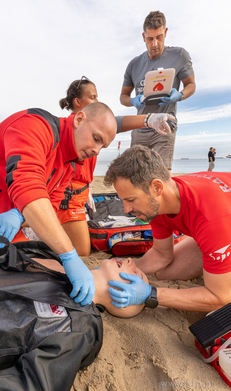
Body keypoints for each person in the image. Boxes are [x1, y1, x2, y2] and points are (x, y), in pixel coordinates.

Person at [0, 102, 117, 306]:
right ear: (79, 119)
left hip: (4, 227)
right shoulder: (34, 125)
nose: (96, 150)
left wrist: (19, 215)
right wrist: (69, 254)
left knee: (36, 269)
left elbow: (51, 208)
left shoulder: (68, 166)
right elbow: (27, 185)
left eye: (102, 146)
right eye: (96, 139)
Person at [0, 239, 146, 391]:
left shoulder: (79, 325)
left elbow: (35, 386)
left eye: (137, 274)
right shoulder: (53, 256)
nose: (131, 260)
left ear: (125, 303)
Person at [55, 76, 176, 256]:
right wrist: (149, 119)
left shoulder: (91, 126)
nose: (98, 101)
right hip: (68, 195)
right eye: (93, 97)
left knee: (81, 245)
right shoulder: (73, 125)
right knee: (82, 251)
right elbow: (116, 122)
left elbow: (115, 123)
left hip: (80, 192)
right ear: (78, 102)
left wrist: (149, 119)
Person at [104, 144, 231, 313]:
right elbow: (161, 254)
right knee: (165, 273)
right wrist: (121, 270)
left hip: (220, 223)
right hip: (218, 227)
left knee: (218, 295)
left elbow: (219, 298)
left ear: (157, 188)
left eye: (131, 200)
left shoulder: (211, 220)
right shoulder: (157, 204)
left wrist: (151, 294)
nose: (126, 209)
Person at [120, 10, 196, 172]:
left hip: (165, 124)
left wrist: (180, 95)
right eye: (150, 39)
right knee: (135, 175)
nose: (154, 44)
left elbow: (191, 85)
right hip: (140, 126)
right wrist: (133, 100)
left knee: (161, 176)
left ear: (165, 32)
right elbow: (123, 97)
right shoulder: (134, 64)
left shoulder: (179, 55)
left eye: (159, 37)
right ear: (143, 37)